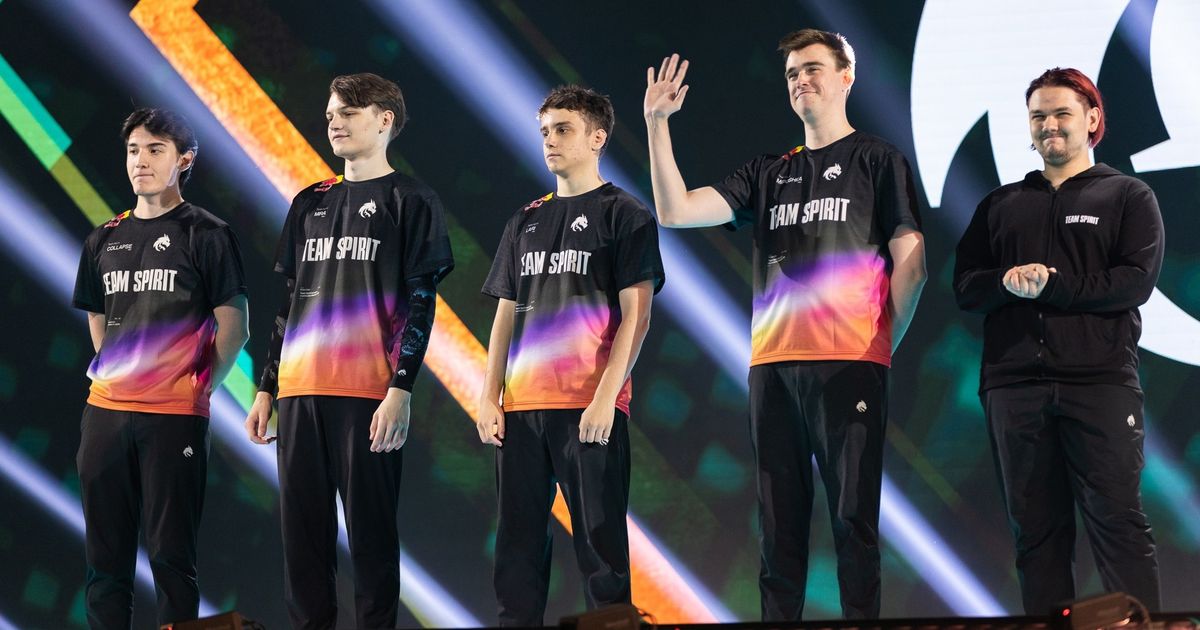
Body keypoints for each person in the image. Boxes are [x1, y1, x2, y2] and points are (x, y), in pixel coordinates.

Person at [643, 29, 926, 620]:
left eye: (813, 68)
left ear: (846, 76)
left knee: (853, 523)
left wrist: (881, 346)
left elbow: (913, 264)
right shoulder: (769, 171)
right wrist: (656, 124)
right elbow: (674, 211)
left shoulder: (878, 160)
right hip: (772, 370)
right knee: (778, 530)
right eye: (793, 73)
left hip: (850, 365)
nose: (801, 80)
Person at [244, 73, 454, 629]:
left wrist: (401, 388)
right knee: (302, 542)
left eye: (348, 113)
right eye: (331, 113)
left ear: (384, 120)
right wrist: (266, 387)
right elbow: (289, 303)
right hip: (299, 392)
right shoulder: (308, 202)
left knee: (371, 539)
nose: (334, 122)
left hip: (367, 394)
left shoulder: (412, 200)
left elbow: (421, 302)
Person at [953, 67, 1163, 614]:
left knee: (1118, 524)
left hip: (1099, 383)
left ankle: (1141, 628)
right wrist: (1004, 282)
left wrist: (1056, 286)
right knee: (1035, 535)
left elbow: (1135, 282)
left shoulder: (1128, 195)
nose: (1049, 125)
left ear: (1092, 118)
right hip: (1013, 387)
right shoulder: (1000, 204)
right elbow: (966, 286)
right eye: (1038, 115)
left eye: (1061, 113)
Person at [476, 85, 664, 627]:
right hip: (521, 412)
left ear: (597, 137)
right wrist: (489, 396)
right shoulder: (524, 220)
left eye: (563, 129)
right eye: (544, 132)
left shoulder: (625, 214)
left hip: (589, 408)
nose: (550, 141)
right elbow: (504, 315)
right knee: (516, 555)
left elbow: (637, 317)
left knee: (602, 554)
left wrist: (606, 399)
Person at [73, 107, 249, 629]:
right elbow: (98, 318)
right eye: (133, 150)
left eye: (155, 150)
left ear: (184, 160)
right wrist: (121, 372)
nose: (140, 161)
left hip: (174, 418)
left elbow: (235, 329)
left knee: (172, 559)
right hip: (104, 414)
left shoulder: (208, 234)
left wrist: (196, 388)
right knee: (104, 561)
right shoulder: (103, 238)